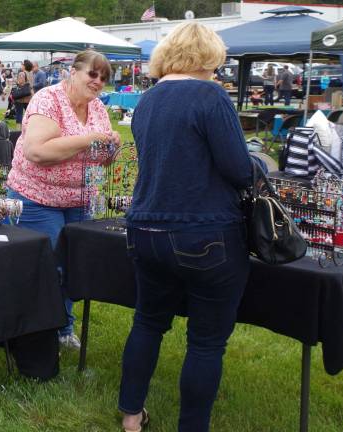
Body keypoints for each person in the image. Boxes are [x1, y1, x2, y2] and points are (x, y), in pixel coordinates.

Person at [118, 22, 253, 432]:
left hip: (146, 228)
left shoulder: (148, 100)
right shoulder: (210, 95)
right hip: (205, 231)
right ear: (209, 56)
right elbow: (238, 169)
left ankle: (130, 416)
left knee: (147, 322)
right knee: (207, 340)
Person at [6, 50, 121, 349]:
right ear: (73, 71)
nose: (98, 82)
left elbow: (102, 161)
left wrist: (111, 149)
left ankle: (62, 329)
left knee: (72, 266)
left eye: (104, 78)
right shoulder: (48, 100)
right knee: (44, 267)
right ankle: (31, 334)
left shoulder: (97, 109)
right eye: (92, 74)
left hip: (80, 200)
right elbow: (37, 152)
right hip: (37, 197)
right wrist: (89, 139)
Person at [14, 60, 34, 129]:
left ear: (24, 66)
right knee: (29, 114)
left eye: (22, 64)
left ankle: (18, 129)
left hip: (21, 97)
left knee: (19, 114)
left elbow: (20, 83)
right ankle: (30, 128)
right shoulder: (31, 73)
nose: (21, 65)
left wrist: (15, 81)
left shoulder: (21, 73)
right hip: (29, 96)